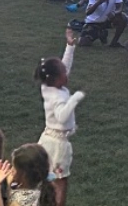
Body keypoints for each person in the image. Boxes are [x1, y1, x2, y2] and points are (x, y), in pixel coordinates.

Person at [33, 30, 83, 206]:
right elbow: (62, 116)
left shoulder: (47, 87)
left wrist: (70, 46)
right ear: (56, 78)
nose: (67, 74)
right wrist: (74, 99)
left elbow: (64, 66)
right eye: (64, 73)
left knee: (43, 179)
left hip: (45, 139)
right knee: (60, 182)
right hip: (58, 144)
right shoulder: (59, 97)